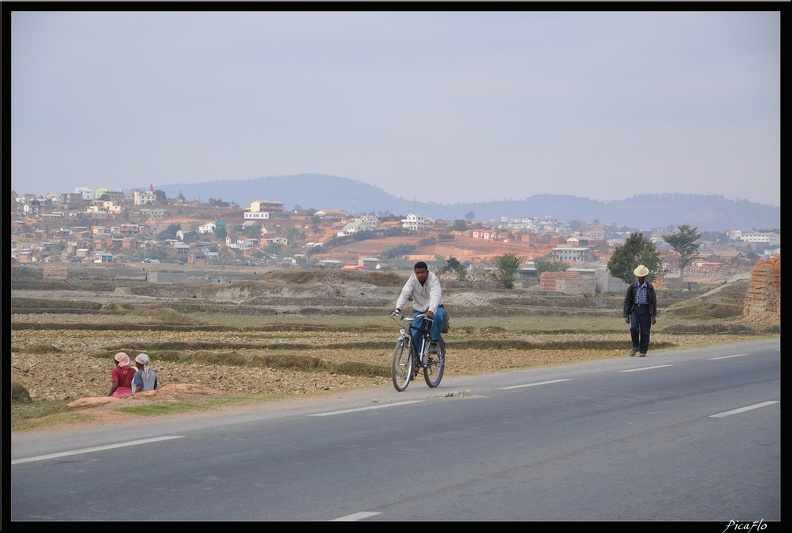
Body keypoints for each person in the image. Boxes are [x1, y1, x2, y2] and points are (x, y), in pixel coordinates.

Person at [393, 261, 446, 356]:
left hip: (435, 308)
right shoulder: (412, 280)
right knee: (415, 332)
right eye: (418, 273)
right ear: (414, 272)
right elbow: (405, 293)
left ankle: (434, 343)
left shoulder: (433, 280)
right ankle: (415, 358)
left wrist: (431, 310)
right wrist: (398, 308)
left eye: (423, 272)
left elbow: (436, 295)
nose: (420, 275)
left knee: (437, 318)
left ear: (427, 271)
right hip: (419, 309)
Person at [623, 264, 658, 357]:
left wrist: (653, 316)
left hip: (646, 310)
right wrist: (626, 315)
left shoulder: (650, 288)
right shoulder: (632, 287)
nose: (640, 278)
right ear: (637, 276)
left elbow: (653, 302)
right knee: (634, 328)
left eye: (642, 276)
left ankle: (643, 350)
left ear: (645, 276)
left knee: (645, 331)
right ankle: (635, 347)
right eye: (639, 276)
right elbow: (627, 301)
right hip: (635, 309)